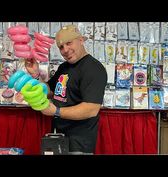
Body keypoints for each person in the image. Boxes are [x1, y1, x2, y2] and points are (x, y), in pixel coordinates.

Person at [25, 24, 107, 154]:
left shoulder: (94, 69)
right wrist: (35, 75)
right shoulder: (64, 67)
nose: (65, 50)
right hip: (58, 137)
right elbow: (50, 92)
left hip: (79, 144)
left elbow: (91, 109)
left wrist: (55, 111)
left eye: (69, 43)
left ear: (80, 40)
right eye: (61, 47)